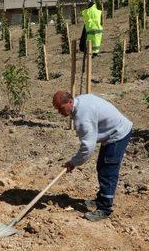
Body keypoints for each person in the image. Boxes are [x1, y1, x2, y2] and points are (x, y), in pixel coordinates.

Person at [52, 90, 133, 221]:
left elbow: (87, 147)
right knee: (102, 167)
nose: (59, 112)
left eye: (60, 108)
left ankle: (104, 209)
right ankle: (100, 199)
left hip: (118, 133)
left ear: (70, 102)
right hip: (113, 131)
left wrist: (73, 162)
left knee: (108, 170)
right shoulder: (80, 102)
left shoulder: (83, 117)